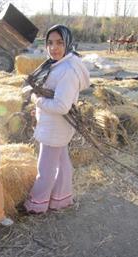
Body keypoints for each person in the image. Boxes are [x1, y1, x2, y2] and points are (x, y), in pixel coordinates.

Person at [23, 24, 90, 214]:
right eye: (50, 43)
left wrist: (37, 100)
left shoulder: (67, 70)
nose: (54, 48)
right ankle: (61, 199)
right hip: (56, 126)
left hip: (55, 128)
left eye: (60, 42)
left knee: (45, 169)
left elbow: (61, 106)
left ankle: (37, 204)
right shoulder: (58, 64)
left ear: (68, 43)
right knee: (62, 163)